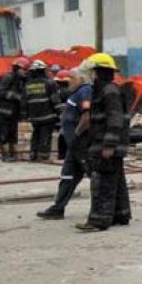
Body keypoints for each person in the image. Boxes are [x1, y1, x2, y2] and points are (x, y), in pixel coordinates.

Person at [75, 53, 131, 232]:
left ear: (98, 72)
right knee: (116, 180)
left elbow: (115, 119)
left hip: (105, 145)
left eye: (92, 72)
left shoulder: (108, 91)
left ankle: (98, 220)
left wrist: (108, 145)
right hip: (108, 144)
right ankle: (120, 214)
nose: (90, 76)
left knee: (102, 182)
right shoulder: (106, 90)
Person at [37, 68, 93, 220]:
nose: (69, 81)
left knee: (94, 175)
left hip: (81, 144)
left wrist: (76, 134)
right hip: (72, 145)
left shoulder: (85, 92)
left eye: (72, 78)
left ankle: (104, 208)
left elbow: (86, 116)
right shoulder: (75, 93)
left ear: (81, 79)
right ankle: (58, 208)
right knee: (67, 176)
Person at [0, 57, 29, 162]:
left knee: (12, 134)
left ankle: (13, 155)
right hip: (0, 112)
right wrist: (16, 96)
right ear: (17, 68)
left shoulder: (21, 81)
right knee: (3, 134)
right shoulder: (8, 78)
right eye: (24, 69)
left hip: (11, 113)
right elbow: (1, 92)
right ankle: (5, 155)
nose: (25, 72)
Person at [22, 59, 60, 162]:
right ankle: (43, 156)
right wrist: (60, 114)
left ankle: (33, 155)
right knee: (45, 136)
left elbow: (24, 101)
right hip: (48, 115)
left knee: (36, 135)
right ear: (43, 71)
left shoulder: (28, 85)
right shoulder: (50, 83)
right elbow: (55, 100)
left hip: (34, 116)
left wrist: (25, 115)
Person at [54, 70, 72, 160]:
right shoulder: (71, 91)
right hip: (69, 116)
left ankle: (61, 154)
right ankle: (65, 154)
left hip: (58, 116)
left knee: (61, 134)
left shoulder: (56, 91)